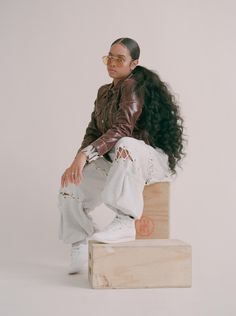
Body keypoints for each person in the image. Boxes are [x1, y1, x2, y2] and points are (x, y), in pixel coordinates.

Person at [57, 37, 187, 274]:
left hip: (146, 159)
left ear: (134, 63)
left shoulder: (133, 86)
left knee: (125, 142)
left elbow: (121, 130)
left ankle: (126, 220)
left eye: (120, 58)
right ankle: (80, 242)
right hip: (119, 160)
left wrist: (86, 155)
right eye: (110, 57)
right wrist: (78, 159)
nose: (112, 63)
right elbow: (93, 131)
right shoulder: (103, 92)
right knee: (70, 185)